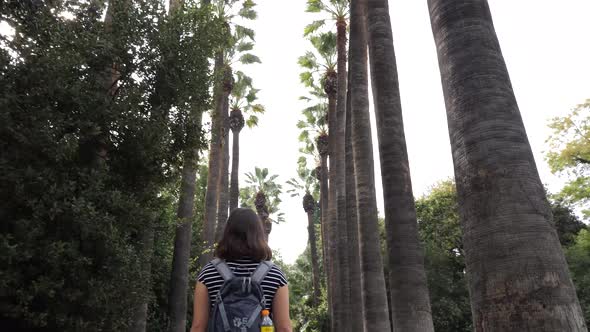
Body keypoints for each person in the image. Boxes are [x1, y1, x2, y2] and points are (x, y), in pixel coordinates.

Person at [190, 208, 292, 332]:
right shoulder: (275, 275)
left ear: (227, 233)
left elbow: (198, 327)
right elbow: (284, 328)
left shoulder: (208, 273)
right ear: (258, 234)